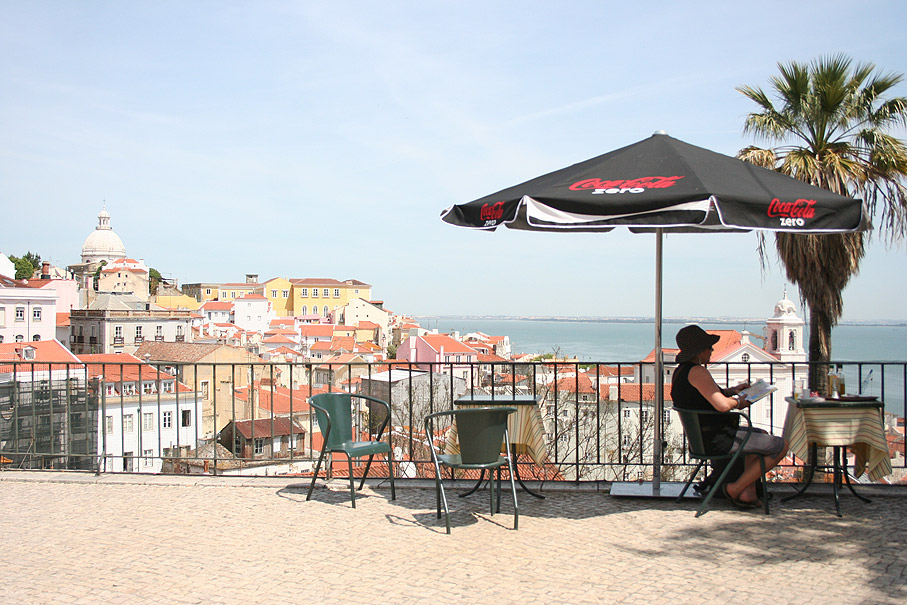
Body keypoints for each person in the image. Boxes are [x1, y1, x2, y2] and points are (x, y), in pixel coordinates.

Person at [671, 325, 788, 508]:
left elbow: (706, 396)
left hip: (703, 437)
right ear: (700, 351)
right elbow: (723, 406)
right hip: (718, 439)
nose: (712, 350)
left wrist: (732, 390)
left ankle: (748, 494)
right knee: (781, 446)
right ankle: (735, 488)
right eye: (709, 347)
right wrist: (742, 401)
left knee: (761, 433)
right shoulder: (698, 372)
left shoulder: (681, 372)